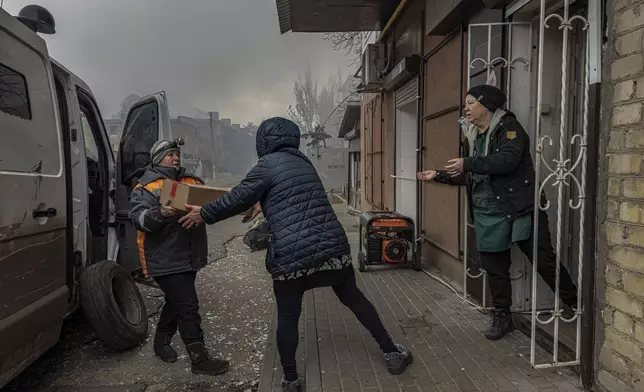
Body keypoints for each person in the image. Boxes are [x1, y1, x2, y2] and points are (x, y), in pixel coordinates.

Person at [179, 117, 413, 392]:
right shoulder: (303, 162)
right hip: (331, 251)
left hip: (291, 258)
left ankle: (290, 379)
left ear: (263, 141)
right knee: (354, 298)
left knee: (289, 317)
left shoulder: (266, 164)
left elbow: (237, 197)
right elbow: (290, 197)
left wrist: (203, 214)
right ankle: (391, 351)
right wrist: (262, 203)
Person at [417, 84, 578, 341]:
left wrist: (468, 163)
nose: (466, 108)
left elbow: (508, 160)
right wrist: (439, 175)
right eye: (466, 103)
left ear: (487, 104)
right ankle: (503, 316)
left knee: (544, 260)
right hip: (486, 212)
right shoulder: (472, 136)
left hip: (519, 207)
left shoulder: (510, 129)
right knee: (495, 268)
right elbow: (471, 175)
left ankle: (576, 305)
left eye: (471, 102)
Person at [129, 139, 229, 375]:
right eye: (169, 154)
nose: (175, 158)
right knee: (188, 306)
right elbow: (138, 219)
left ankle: (160, 342)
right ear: (157, 159)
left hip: (189, 256)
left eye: (176, 154)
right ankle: (200, 360)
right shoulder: (146, 187)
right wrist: (160, 212)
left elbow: (212, 205)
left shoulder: (192, 182)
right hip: (163, 257)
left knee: (177, 302)